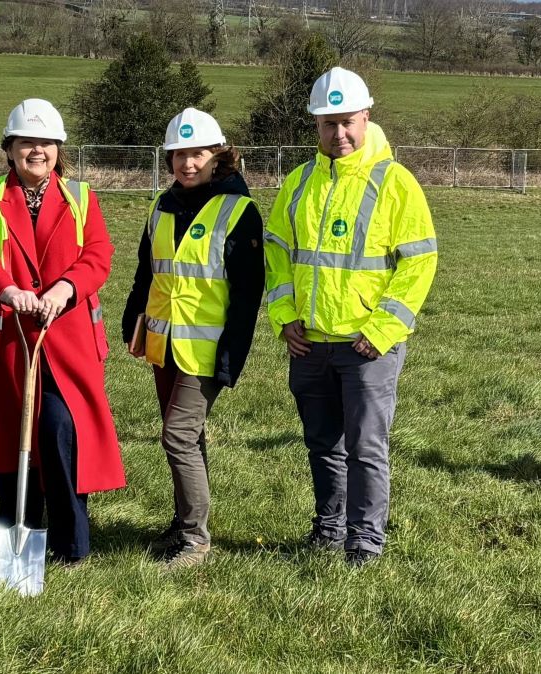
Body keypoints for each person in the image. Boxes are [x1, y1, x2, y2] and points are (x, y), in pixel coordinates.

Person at [264, 68, 437, 566]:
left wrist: (382, 329)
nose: (338, 134)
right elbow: (277, 253)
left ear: (366, 117)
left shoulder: (395, 182)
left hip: (367, 347)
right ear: (315, 125)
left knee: (366, 448)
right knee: (322, 445)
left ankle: (365, 540)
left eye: (347, 122)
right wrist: (284, 315)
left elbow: (420, 261)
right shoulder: (298, 183)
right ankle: (329, 527)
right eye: (327, 124)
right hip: (310, 343)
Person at [0, 99, 125, 565]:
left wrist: (65, 288)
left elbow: (98, 253)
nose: (37, 151)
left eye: (46, 143)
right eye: (27, 142)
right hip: (8, 339)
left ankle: (72, 544)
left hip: (64, 339)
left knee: (59, 430)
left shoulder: (81, 196)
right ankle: (20, 533)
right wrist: (8, 289)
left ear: (59, 149)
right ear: (9, 149)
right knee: (13, 439)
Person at [121, 108, 264, 569]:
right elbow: (148, 272)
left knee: (177, 437)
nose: (187, 163)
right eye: (179, 154)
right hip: (165, 345)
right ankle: (184, 523)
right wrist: (133, 322)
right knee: (188, 437)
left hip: (207, 350)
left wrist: (231, 357)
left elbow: (247, 295)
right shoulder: (161, 206)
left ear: (218, 156)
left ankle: (196, 541)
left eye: (198, 153)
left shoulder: (239, 210)